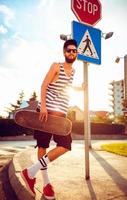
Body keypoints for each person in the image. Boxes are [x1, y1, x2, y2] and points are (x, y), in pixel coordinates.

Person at [21, 39, 79, 199]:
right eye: (69, 50)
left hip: (61, 115)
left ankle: (30, 172)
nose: (71, 53)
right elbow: (44, 85)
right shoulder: (56, 66)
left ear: (77, 54)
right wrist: (44, 106)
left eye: (74, 51)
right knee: (42, 145)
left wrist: (80, 88)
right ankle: (46, 184)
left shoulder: (73, 72)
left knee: (66, 145)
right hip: (45, 113)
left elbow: (66, 87)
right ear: (64, 52)